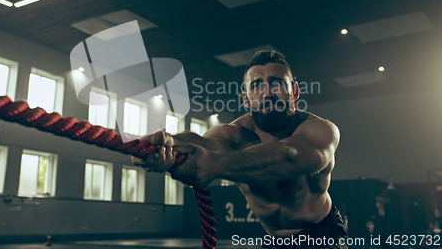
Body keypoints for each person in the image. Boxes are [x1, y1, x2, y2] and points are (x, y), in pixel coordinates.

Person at [133, 50, 347, 248]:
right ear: (245, 98)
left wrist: (216, 163)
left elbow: (287, 158)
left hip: (322, 233)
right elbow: (204, 144)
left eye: (277, 83)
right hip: (272, 240)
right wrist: (165, 144)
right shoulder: (234, 134)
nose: (267, 93)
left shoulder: (319, 130)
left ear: (295, 91)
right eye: (256, 85)